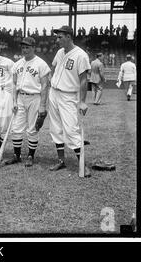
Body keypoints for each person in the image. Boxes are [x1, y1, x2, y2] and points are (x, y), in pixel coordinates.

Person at [48, 26, 91, 177]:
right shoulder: (60, 52)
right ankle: (61, 161)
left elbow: (84, 80)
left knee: (71, 130)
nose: (57, 40)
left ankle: (82, 165)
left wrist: (83, 101)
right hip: (54, 92)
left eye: (60, 37)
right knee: (55, 128)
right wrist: (51, 80)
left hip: (69, 95)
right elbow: (53, 67)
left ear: (68, 37)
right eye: (57, 37)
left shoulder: (81, 55)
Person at [5, 37, 50, 166]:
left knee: (32, 129)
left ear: (33, 48)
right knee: (16, 128)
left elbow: (45, 86)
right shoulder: (17, 64)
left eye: (27, 47)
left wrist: (42, 105)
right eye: (23, 47)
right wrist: (14, 101)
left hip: (35, 97)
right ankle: (16, 155)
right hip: (20, 97)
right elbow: (13, 84)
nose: (25, 50)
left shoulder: (41, 64)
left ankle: (30, 156)